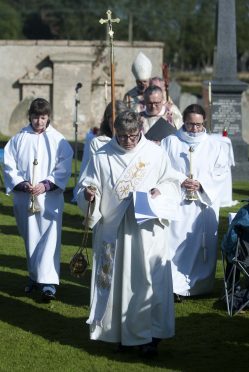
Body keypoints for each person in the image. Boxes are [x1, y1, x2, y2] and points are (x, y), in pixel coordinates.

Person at [76, 110, 180, 356]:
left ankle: (151, 335)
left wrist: (158, 193)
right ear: (115, 132)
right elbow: (87, 184)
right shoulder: (101, 156)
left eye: (133, 135)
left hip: (147, 230)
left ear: (140, 130)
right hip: (114, 231)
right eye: (123, 137)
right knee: (118, 283)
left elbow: (171, 182)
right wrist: (89, 194)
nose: (129, 141)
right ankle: (121, 333)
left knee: (148, 280)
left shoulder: (154, 154)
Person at [4, 98, 73, 301]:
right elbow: (9, 166)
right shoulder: (19, 139)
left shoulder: (58, 140)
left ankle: (49, 282)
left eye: (43, 117)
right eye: (35, 117)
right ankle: (35, 277)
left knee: (50, 238)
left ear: (48, 117)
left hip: (49, 199)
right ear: (30, 117)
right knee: (30, 238)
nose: (39, 122)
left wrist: (46, 184)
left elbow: (64, 166)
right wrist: (22, 183)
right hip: (25, 197)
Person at [161, 104, 228, 299]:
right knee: (175, 242)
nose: (194, 129)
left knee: (201, 244)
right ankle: (174, 285)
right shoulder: (170, 142)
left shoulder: (215, 145)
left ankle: (199, 285)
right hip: (178, 201)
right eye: (190, 124)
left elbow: (221, 172)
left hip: (203, 204)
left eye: (198, 125)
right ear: (184, 122)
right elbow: (162, 168)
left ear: (204, 122)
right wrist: (181, 180)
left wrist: (202, 184)